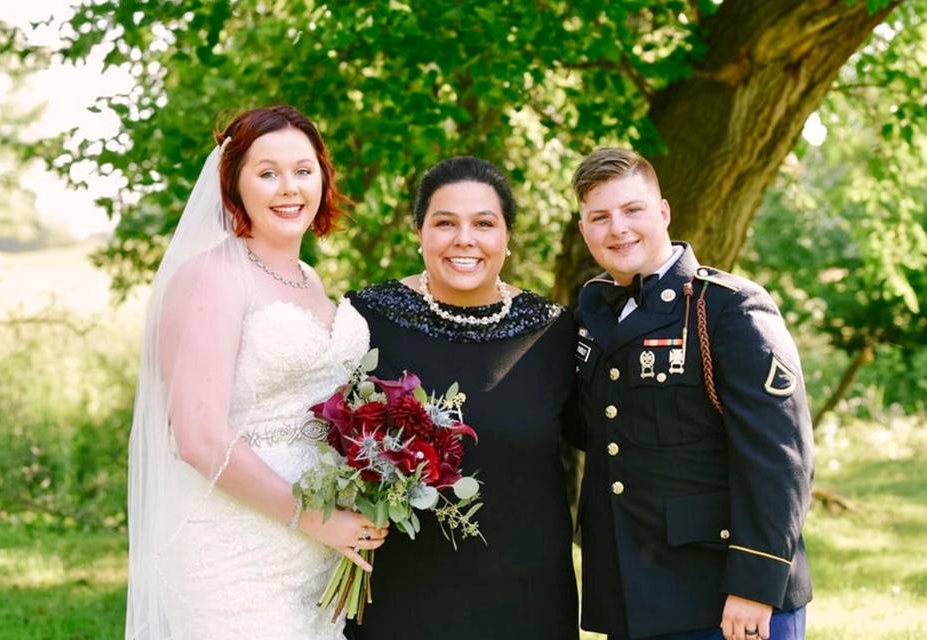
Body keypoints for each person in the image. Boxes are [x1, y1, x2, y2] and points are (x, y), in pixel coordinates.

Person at [125, 105, 389, 640]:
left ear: (323, 178)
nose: (289, 188)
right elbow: (198, 438)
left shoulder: (310, 280)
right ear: (234, 186)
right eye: (267, 173)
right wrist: (317, 520)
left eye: (303, 169)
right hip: (235, 548)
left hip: (312, 552)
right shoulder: (212, 277)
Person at [570, 147, 813, 640]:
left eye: (632, 210)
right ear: (584, 231)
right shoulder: (593, 314)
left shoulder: (728, 309)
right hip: (635, 592)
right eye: (600, 217)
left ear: (663, 212)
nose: (618, 228)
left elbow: (780, 455)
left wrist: (755, 584)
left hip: (724, 596)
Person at [344, 157, 579, 640]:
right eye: (445, 223)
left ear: (507, 237)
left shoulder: (554, 331)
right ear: (419, 232)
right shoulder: (364, 320)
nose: (464, 239)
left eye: (484, 224)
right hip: (400, 597)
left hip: (527, 600)